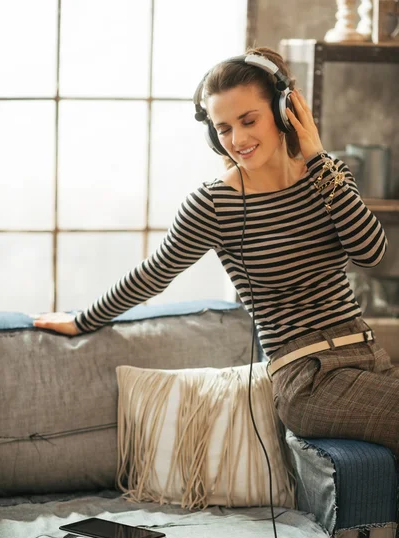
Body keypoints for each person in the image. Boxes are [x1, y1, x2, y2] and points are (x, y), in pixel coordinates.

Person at [33, 46, 398, 459]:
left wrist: (315, 157)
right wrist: (82, 320)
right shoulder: (214, 204)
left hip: (367, 358)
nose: (237, 140)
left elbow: (371, 252)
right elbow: (154, 273)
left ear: (283, 112)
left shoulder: (326, 175)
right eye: (223, 128)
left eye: (249, 120)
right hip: (308, 380)